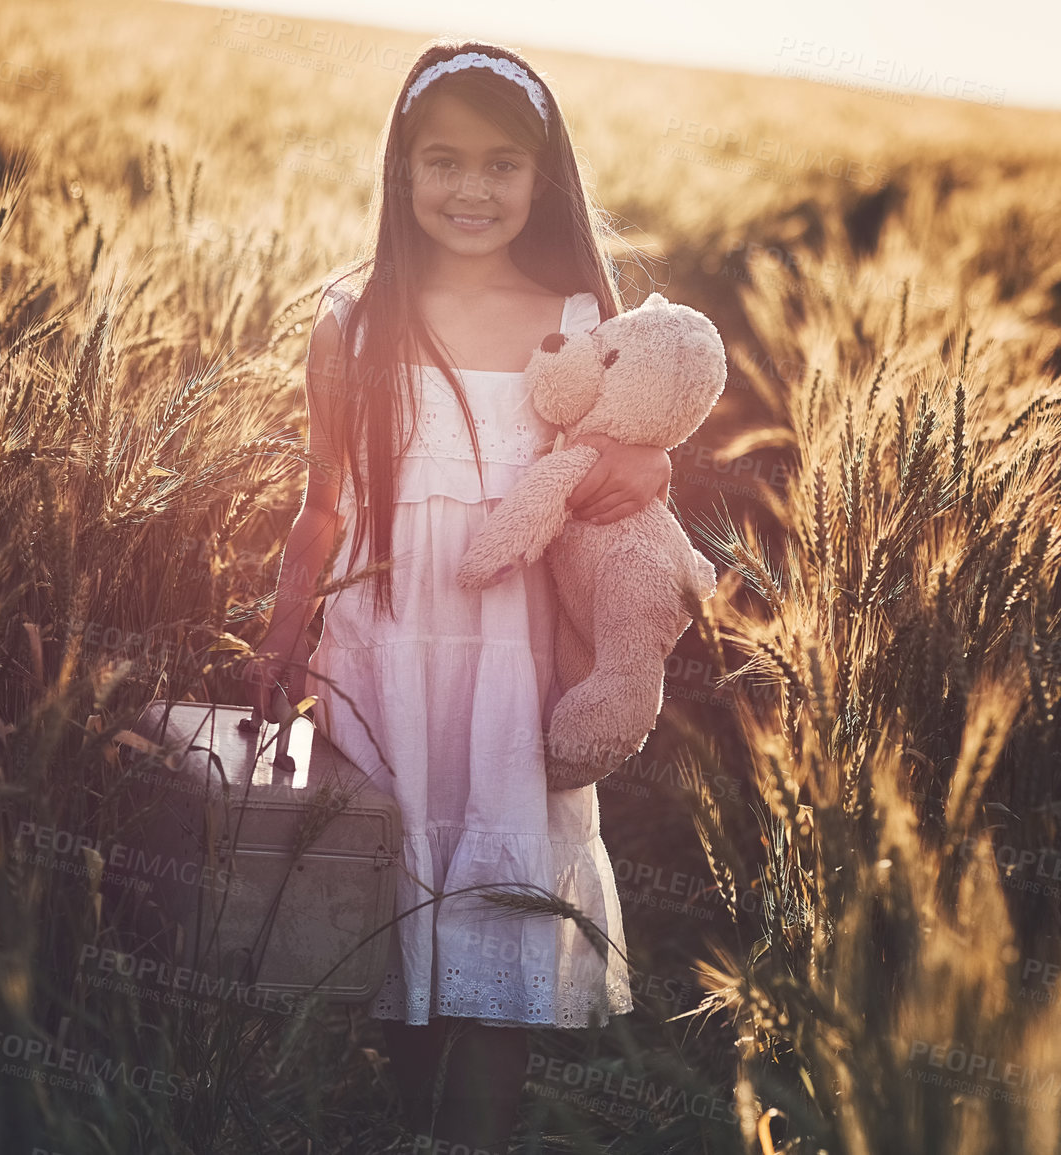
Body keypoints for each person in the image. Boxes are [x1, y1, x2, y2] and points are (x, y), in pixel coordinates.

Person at [250, 40, 673, 1154]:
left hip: (514, 660)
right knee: (392, 896)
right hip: (381, 647)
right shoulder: (352, 319)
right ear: (401, 171)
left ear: (543, 178)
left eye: (500, 166)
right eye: (443, 162)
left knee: (497, 886)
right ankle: (413, 1125)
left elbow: (630, 459)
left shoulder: (580, 317)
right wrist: (283, 640)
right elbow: (321, 505)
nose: (471, 190)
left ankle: (474, 1136)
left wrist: (656, 469)